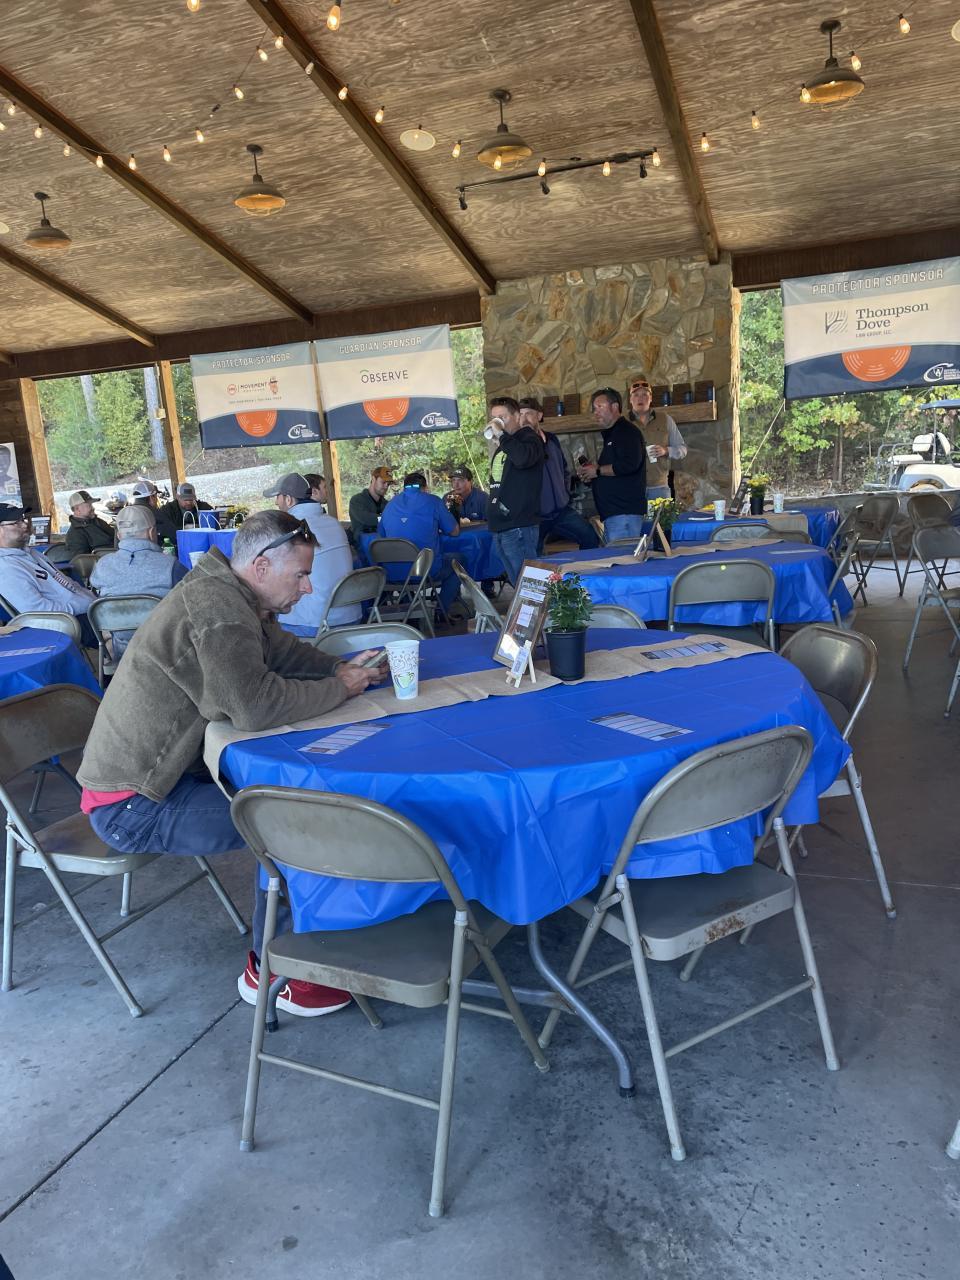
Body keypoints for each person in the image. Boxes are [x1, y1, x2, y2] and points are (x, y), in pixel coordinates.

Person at [76, 510, 387, 1018]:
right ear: (262, 566)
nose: (308, 588)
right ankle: (275, 972)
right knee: (288, 823)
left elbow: (282, 653)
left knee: (297, 802)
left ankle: (313, 937)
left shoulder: (231, 593)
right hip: (134, 805)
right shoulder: (216, 608)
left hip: (166, 780)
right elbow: (253, 708)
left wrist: (338, 666)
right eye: (301, 575)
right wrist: (340, 688)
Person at [262, 472, 358, 632]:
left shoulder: (288, 529)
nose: (276, 502)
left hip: (313, 622)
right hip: (351, 616)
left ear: (288, 499)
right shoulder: (334, 523)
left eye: (278, 497)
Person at [90, 504, 188, 657]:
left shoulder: (102, 565)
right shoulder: (171, 566)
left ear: (119, 535)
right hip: (167, 652)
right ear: (151, 532)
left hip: (122, 652)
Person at [0, 502, 98, 643]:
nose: (25, 525)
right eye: (16, 523)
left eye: (23, 519)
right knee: (120, 631)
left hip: (83, 612)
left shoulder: (30, 553)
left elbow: (65, 582)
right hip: (65, 624)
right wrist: (85, 604)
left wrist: (91, 600)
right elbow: (38, 612)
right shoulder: (6, 569)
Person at [518, 398, 600, 554]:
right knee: (533, 555)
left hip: (561, 511)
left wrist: (564, 494)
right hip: (535, 516)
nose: (524, 419)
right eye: (520, 414)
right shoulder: (518, 446)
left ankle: (584, 570)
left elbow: (564, 469)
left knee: (589, 537)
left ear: (539, 415)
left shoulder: (552, 439)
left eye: (528, 414)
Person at [378, 471, 461, 615]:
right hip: (425, 571)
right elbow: (455, 531)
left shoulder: (390, 505)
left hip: (393, 573)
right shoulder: (433, 501)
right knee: (459, 561)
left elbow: (382, 535)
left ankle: (408, 607)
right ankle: (441, 611)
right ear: (424, 488)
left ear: (405, 487)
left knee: (405, 569)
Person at [485, 396, 544, 584]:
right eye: (495, 418)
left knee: (529, 584)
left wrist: (502, 435)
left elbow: (523, 458)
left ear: (517, 417)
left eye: (503, 417)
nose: (498, 422)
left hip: (519, 524)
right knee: (517, 583)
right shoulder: (505, 444)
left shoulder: (530, 438)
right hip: (501, 525)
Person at [577, 388, 647, 542]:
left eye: (600, 407)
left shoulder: (627, 432)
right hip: (616, 514)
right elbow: (614, 470)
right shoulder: (614, 433)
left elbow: (630, 464)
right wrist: (591, 475)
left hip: (624, 514)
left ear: (615, 407)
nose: (596, 412)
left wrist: (598, 471)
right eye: (594, 409)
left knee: (623, 556)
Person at [628, 376, 688, 501]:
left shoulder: (665, 419)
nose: (640, 398)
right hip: (631, 488)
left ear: (651, 398)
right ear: (630, 399)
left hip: (659, 488)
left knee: (663, 515)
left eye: (644, 395)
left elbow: (683, 449)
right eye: (636, 395)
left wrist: (666, 451)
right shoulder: (622, 423)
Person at [64, 490, 116, 558]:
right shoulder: (75, 534)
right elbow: (82, 561)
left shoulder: (98, 521)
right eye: (89, 505)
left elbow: (115, 536)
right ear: (77, 509)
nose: (93, 508)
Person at [349, 466, 394, 543]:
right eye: (383, 482)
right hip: (362, 543)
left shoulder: (387, 504)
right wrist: (386, 518)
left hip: (383, 543)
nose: (386, 486)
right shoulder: (356, 500)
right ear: (373, 479)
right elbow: (367, 519)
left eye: (388, 484)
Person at [132, 479, 177, 544]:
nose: (157, 499)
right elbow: (173, 534)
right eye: (156, 496)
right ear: (151, 497)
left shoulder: (127, 514)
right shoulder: (155, 514)